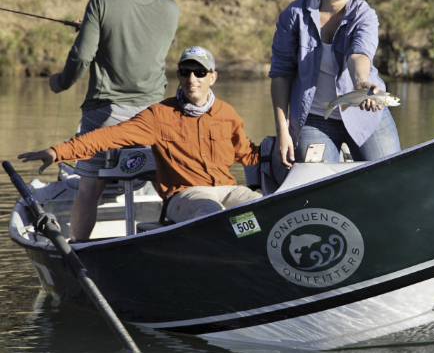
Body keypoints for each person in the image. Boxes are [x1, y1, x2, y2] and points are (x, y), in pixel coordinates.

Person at [19, 47, 262, 235]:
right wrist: (56, 151)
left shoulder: (227, 112)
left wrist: (288, 151)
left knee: (261, 207)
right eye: (186, 72)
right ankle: (227, 257)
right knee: (211, 212)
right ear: (178, 75)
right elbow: (107, 136)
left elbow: (248, 154)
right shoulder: (159, 115)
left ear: (213, 77)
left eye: (200, 72)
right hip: (185, 194)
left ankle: (251, 256)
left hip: (227, 188)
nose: (192, 78)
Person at [47, 0, 180, 239]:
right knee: (166, 182)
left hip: (104, 112)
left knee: (90, 187)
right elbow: (143, 42)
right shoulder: (171, 8)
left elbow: (81, 57)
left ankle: (78, 250)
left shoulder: (102, 2)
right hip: (153, 117)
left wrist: (60, 82)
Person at [269, 0, 400, 168]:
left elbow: (359, 54)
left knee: (391, 175)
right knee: (316, 187)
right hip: (314, 120)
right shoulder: (293, 15)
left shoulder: (365, 15)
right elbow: (281, 74)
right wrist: (283, 131)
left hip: (366, 115)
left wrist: (361, 83)